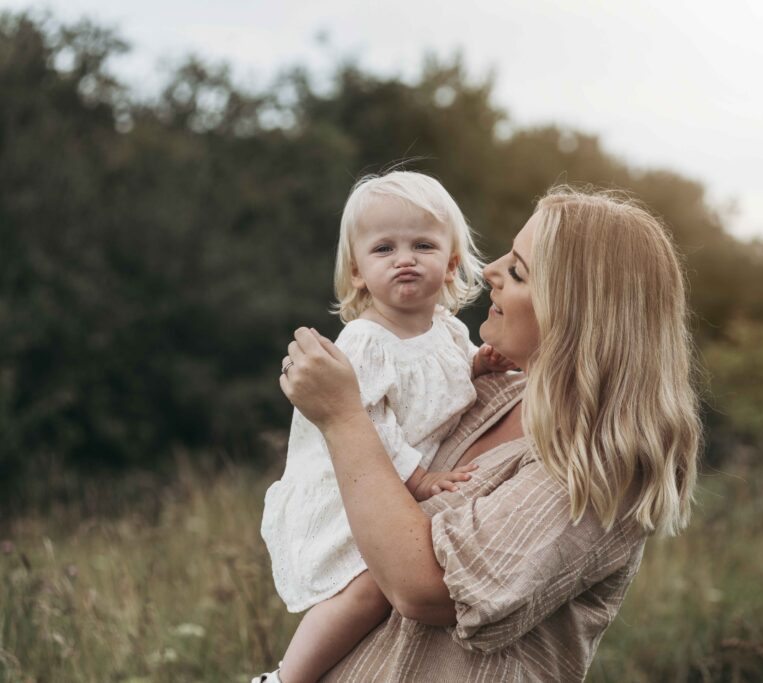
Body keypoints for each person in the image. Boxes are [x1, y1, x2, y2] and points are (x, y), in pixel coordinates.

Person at [278, 186, 702, 682]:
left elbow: (424, 589)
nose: (490, 272)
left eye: (518, 271)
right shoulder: (491, 395)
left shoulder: (601, 462)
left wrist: (343, 415)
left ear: (575, 310)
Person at [257, 171, 514, 683]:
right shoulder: (364, 341)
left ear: (451, 265)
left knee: (384, 587)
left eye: (423, 244)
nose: (405, 258)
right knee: (367, 588)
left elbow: (446, 372)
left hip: (391, 482)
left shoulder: (448, 328)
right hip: (350, 486)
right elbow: (367, 422)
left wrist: (478, 365)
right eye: (384, 248)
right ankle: (287, 677)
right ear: (357, 271)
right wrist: (417, 481)